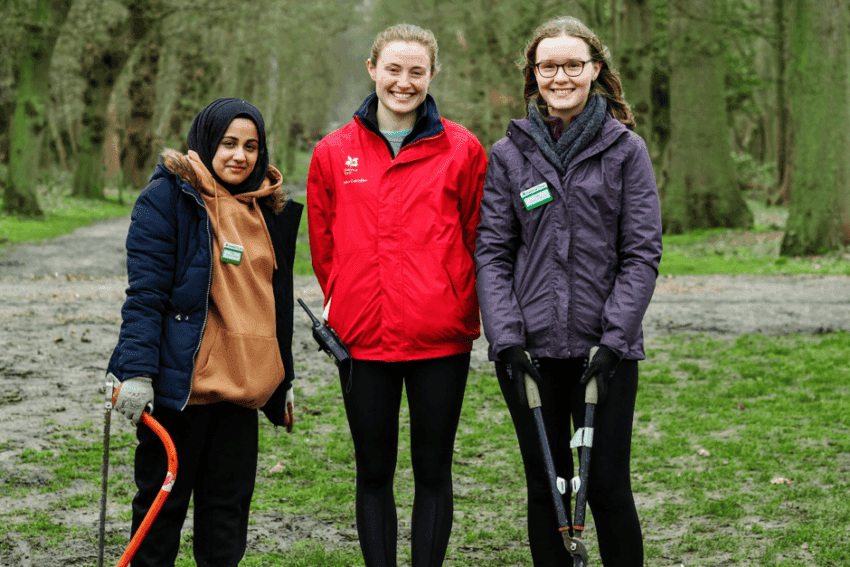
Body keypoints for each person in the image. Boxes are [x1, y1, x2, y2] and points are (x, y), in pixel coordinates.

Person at [474, 16, 662, 567]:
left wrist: (614, 340)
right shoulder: (509, 154)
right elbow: (492, 252)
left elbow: (641, 252)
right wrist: (507, 341)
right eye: (549, 66)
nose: (561, 76)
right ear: (534, 74)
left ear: (595, 70)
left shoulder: (625, 150)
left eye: (573, 65)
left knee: (607, 486)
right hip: (529, 353)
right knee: (547, 487)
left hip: (605, 351)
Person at [307, 23, 487, 567]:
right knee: (373, 472)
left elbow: (479, 238)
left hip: (440, 338)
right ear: (372, 70)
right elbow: (324, 247)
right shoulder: (333, 152)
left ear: (432, 75)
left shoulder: (463, 150)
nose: (403, 82)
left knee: (433, 471)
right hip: (362, 341)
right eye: (393, 69)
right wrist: (351, 297)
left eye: (416, 71)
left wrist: (452, 296)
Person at [106, 97, 302, 566]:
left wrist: (283, 379)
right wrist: (136, 372)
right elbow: (146, 295)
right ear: (206, 142)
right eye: (229, 143)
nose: (240, 155)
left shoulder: (269, 210)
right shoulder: (169, 198)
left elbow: (273, 304)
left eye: (251, 146)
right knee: (159, 518)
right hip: (181, 394)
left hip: (241, 395)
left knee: (225, 522)